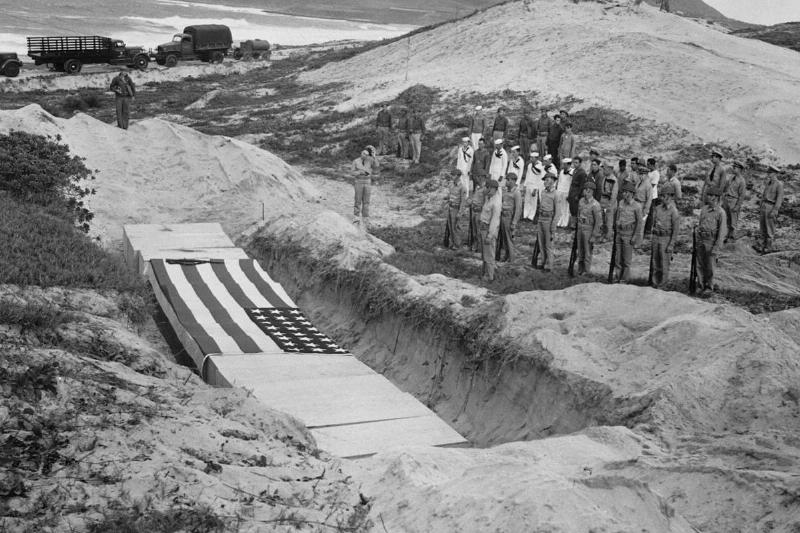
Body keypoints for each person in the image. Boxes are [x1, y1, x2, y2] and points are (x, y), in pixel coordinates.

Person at [695, 187, 727, 295]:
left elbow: (722, 233)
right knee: (699, 264)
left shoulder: (720, 212)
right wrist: (698, 239)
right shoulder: (704, 209)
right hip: (702, 239)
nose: (708, 197)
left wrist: (716, 247)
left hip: (711, 241)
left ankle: (709, 287)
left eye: (711, 195)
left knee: (710, 266)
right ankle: (700, 285)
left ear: (716, 198)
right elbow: (700, 225)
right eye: (708, 195)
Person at [610, 181, 643, 283]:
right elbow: (617, 216)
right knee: (618, 258)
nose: (623, 194)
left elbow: (639, 223)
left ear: (631, 193)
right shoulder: (621, 203)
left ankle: (624, 279)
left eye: (625, 192)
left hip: (629, 234)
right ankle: (617, 277)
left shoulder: (637, 206)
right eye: (623, 192)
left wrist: (634, 237)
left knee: (626, 259)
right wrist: (616, 227)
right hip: (620, 233)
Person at [650, 184, 680, 288]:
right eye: (663, 196)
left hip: (666, 238)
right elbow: (653, 223)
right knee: (655, 261)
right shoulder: (658, 209)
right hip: (656, 237)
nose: (664, 198)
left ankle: (662, 284)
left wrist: (671, 244)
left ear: (671, 197)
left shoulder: (674, 211)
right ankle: (655, 283)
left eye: (667, 196)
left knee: (664, 263)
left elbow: (675, 230)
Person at [575, 181, 602, 276]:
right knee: (580, 250)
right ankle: (580, 270)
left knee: (587, 251)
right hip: (580, 227)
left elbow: (598, 222)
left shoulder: (595, 205)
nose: (584, 192)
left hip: (589, 229)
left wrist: (594, 235)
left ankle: (586, 271)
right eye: (584, 190)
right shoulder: (581, 201)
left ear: (590, 191)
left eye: (586, 190)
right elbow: (578, 214)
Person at [535, 172, 559, 271]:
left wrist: (553, 226)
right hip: (541, 218)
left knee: (548, 244)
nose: (545, 182)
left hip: (549, 220)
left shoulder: (556, 194)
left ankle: (549, 265)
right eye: (545, 180)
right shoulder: (543, 192)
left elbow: (557, 212)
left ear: (553, 181)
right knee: (541, 242)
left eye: (547, 180)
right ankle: (543, 261)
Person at [496, 173, 522, 262]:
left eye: (508, 180)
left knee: (509, 238)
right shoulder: (506, 191)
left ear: (513, 181)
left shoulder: (516, 193)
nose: (506, 181)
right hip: (503, 216)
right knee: (504, 238)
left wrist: (514, 222)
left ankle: (511, 259)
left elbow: (518, 209)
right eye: (506, 179)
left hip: (509, 217)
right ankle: (506, 256)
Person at [480, 179, 502, 281]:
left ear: (494, 189)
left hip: (489, 229)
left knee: (489, 254)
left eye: (488, 187)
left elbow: (495, 221)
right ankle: (485, 273)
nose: (486, 189)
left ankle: (489, 276)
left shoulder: (496, 203)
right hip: (483, 227)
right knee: (485, 253)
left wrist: (490, 235)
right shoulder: (488, 198)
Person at [759, 165, 784, 253]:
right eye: (768, 172)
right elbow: (764, 195)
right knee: (762, 228)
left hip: (771, 206)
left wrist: (775, 210)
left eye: (770, 173)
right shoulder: (768, 183)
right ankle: (762, 246)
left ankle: (768, 248)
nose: (768, 174)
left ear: (775, 173)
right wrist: (761, 205)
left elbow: (779, 199)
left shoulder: (779, 184)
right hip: (764, 206)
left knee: (770, 228)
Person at [352, 149, 379, 228]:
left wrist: (374, 157)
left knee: (366, 201)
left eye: (367, 154)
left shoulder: (370, 160)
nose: (365, 155)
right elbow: (352, 172)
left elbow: (377, 166)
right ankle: (356, 217)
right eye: (364, 153)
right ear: (361, 153)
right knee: (357, 200)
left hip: (367, 181)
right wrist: (359, 172)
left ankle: (365, 218)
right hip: (359, 181)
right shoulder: (356, 161)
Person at [723, 160, 747, 242]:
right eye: (733, 167)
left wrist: (737, 206)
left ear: (740, 169)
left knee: (733, 221)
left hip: (734, 200)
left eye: (735, 167)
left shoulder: (742, 181)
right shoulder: (731, 177)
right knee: (727, 219)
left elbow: (742, 196)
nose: (733, 169)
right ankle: (727, 235)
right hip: (727, 199)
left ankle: (732, 237)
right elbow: (726, 188)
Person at [444, 169, 468, 249]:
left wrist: (460, 212)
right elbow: (450, 195)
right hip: (450, 207)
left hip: (456, 209)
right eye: (452, 175)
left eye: (453, 175)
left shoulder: (462, 187)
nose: (452, 176)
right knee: (450, 226)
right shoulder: (451, 185)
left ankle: (457, 244)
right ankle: (452, 243)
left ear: (458, 176)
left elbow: (463, 201)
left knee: (456, 227)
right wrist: (446, 199)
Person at [598, 162, 618, 239]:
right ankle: (603, 234)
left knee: (608, 221)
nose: (603, 170)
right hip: (603, 202)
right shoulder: (605, 178)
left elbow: (614, 194)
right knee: (602, 220)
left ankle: (607, 236)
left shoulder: (613, 180)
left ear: (610, 169)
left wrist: (610, 205)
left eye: (605, 169)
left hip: (609, 203)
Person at [523, 152, 544, 221]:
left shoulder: (540, 166)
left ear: (536, 158)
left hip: (534, 185)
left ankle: (531, 216)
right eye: (530, 157)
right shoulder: (529, 165)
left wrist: (536, 189)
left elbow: (539, 179)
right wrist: (525, 185)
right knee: (527, 201)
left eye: (532, 158)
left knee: (533, 202)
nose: (531, 159)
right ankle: (525, 215)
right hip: (528, 184)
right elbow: (527, 175)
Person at [468, 174, 487, 251]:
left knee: (479, 230)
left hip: (480, 212)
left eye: (479, 177)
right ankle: (475, 245)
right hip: (474, 210)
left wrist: (481, 209)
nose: (477, 178)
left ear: (483, 178)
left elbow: (486, 202)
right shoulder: (477, 187)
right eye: (477, 177)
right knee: (474, 230)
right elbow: (474, 198)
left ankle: (479, 247)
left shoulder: (485, 189)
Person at [568, 156, 587, 225]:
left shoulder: (582, 173)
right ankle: (573, 224)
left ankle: (576, 225)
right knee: (572, 209)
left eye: (576, 163)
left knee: (576, 210)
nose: (575, 164)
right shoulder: (574, 171)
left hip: (577, 193)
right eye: (574, 163)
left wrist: (578, 196)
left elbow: (582, 186)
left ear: (580, 163)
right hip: (572, 192)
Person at [556, 159, 573, 228]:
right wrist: (558, 191)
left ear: (569, 164)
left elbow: (572, 184)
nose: (564, 166)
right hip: (560, 191)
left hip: (567, 191)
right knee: (560, 207)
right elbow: (559, 182)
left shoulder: (572, 172)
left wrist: (570, 193)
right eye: (563, 164)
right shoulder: (561, 172)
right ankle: (560, 221)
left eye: (565, 164)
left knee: (566, 208)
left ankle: (565, 222)